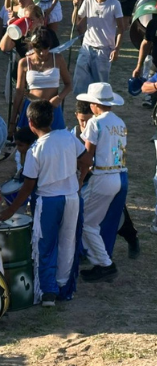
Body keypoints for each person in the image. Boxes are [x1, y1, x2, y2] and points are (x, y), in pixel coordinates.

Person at [0, 100, 87, 306]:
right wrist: (79, 180)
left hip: (48, 201)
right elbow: (86, 159)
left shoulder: (35, 149)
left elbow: (28, 187)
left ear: (30, 123)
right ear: (52, 118)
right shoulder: (68, 136)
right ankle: (63, 288)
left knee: (44, 245)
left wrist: (10, 210)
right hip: (72, 198)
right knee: (67, 243)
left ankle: (47, 292)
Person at [76, 83, 129, 282]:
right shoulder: (120, 123)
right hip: (117, 176)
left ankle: (104, 264)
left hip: (101, 177)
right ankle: (101, 262)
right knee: (91, 221)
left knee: (87, 222)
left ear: (94, 104)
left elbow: (88, 156)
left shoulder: (95, 123)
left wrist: (80, 179)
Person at [70, 0, 126, 98]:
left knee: (100, 88)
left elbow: (121, 28)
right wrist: (75, 6)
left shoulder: (114, 4)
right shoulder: (89, 0)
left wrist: (117, 48)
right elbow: (75, 22)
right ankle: (83, 109)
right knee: (80, 84)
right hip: (87, 47)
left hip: (104, 50)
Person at [11, 28, 72, 133]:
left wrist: (59, 97)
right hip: (32, 107)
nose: (43, 53)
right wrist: (12, 122)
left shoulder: (58, 59)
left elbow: (69, 84)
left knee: (56, 141)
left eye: (46, 48)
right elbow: (19, 92)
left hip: (52, 108)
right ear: (32, 46)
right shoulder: (24, 62)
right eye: (39, 49)